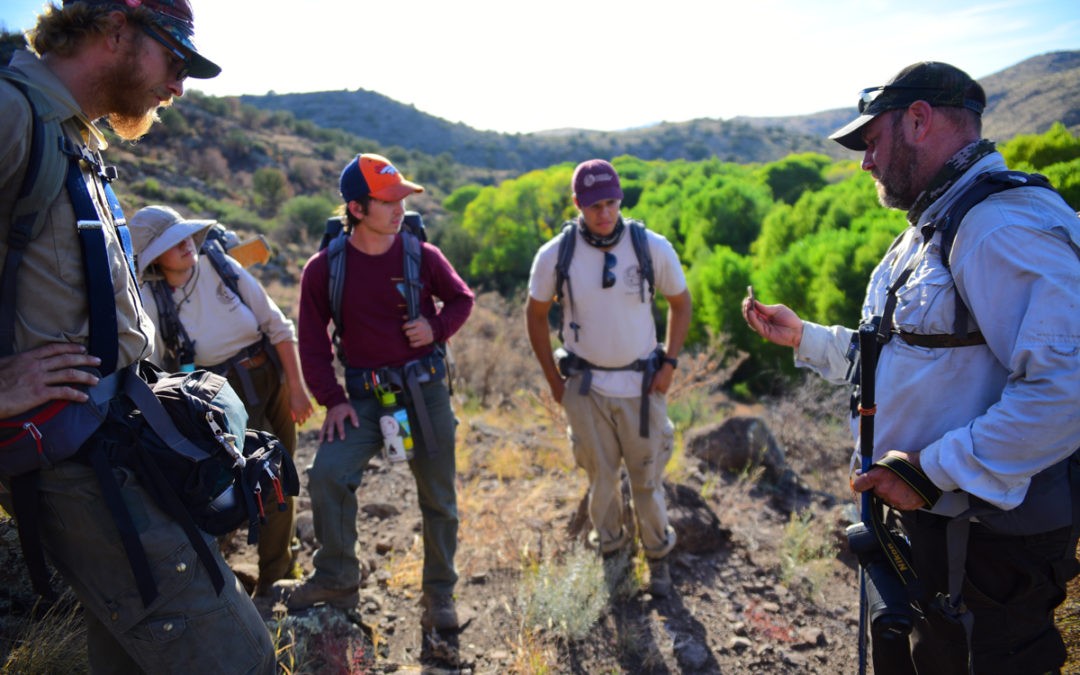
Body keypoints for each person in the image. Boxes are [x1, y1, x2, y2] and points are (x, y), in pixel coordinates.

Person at [743, 62, 1080, 674]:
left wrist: (929, 472)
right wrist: (807, 339)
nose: (865, 162)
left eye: (871, 142)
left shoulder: (999, 227)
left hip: (989, 546)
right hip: (944, 527)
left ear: (919, 120)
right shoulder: (936, 226)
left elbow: (1068, 390)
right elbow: (907, 355)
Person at [0, 1, 276, 672]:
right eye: (175, 59)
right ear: (116, 27)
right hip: (74, 463)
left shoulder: (71, 133)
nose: (179, 86)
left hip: (113, 444)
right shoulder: (12, 116)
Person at [287, 153, 474, 633]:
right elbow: (310, 339)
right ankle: (336, 579)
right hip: (362, 400)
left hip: (424, 391)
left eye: (401, 199)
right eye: (388, 200)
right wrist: (333, 399)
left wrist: (434, 328)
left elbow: (461, 299)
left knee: (438, 498)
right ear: (356, 208)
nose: (398, 209)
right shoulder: (324, 269)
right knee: (328, 474)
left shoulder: (421, 255)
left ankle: (438, 595)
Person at [525, 159, 692, 597]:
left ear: (621, 200)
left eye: (612, 203)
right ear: (578, 204)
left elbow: (681, 301)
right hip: (585, 387)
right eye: (595, 205)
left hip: (642, 385)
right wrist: (554, 383)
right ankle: (614, 559)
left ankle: (658, 559)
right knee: (600, 479)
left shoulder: (649, 246)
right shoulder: (555, 254)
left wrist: (670, 363)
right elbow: (536, 314)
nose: (604, 213)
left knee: (646, 478)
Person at [129, 204, 314, 596]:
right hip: (223, 398)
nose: (185, 246)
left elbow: (277, 326)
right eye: (171, 243)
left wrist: (297, 387)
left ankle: (276, 574)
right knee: (259, 477)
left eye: (184, 237)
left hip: (271, 378)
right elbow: (154, 365)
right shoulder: (149, 298)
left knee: (280, 471)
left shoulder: (220, 265)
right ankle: (255, 577)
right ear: (154, 259)